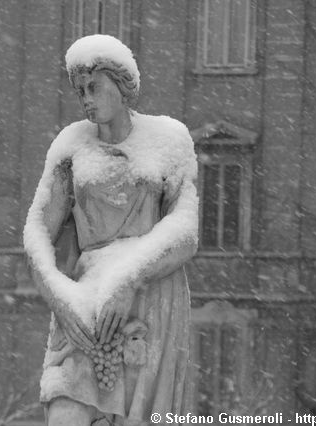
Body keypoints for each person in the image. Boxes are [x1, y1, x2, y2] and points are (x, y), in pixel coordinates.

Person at [23, 34, 198, 426]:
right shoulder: (70, 146)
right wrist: (59, 298)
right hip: (86, 304)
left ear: (121, 87)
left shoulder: (169, 140)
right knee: (65, 411)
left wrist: (129, 278)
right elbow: (36, 234)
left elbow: (186, 231)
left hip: (152, 300)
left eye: (94, 87)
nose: (85, 98)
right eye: (80, 90)